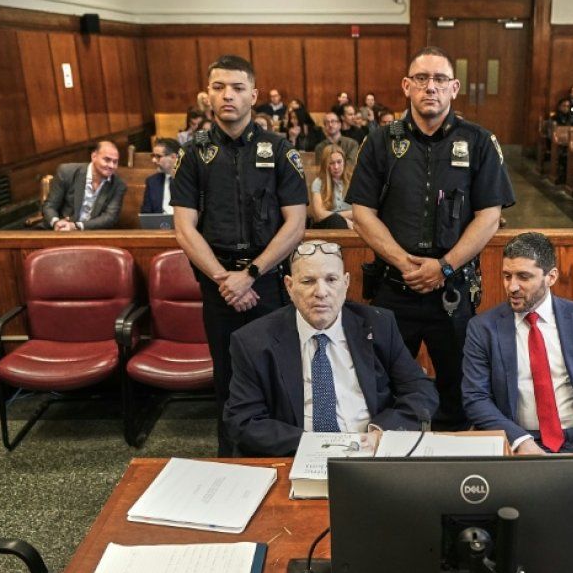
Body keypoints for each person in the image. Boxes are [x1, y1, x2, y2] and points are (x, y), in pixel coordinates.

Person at [347, 45, 515, 430]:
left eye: (440, 79)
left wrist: (444, 266)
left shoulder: (479, 142)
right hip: (394, 287)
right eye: (421, 79)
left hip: (452, 291)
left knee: (458, 391)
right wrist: (406, 265)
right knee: (382, 388)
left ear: (454, 88)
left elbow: (489, 216)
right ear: (406, 86)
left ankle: (450, 459)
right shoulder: (380, 141)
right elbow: (362, 213)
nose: (431, 87)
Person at [171, 55, 309, 456]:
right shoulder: (192, 153)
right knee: (228, 381)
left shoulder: (279, 150)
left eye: (236, 87)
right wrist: (224, 279)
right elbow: (184, 229)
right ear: (207, 95)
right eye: (218, 87)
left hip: (269, 283)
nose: (227, 95)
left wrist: (250, 274)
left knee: (279, 376)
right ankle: (230, 463)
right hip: (219, 289)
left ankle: (279, 462)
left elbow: (296, 224)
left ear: (253, 94)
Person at [223, 241, 439, 456]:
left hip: (370, 451)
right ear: (289, 286)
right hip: (297, 454)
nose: (321, 292)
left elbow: (420, 390)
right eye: (308, 281)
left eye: (331, 279)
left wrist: (381, 432)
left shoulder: (379, 324)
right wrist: (317, 445)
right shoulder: (253, 341)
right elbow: (243, 421)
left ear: (346, 283)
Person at [462, 232, 573, 454]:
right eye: (507, 276)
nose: (512, 287)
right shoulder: (482, 329)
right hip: (523, 439)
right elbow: (475, 398)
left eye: (523, 277)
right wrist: (520, 441)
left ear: (551, 277)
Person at [42, 141, 126, 231]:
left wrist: (75, 226)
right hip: (61, 231)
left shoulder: (118, 185)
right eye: (107, 160)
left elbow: (110, 218)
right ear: (94, 156)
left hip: (92, 233)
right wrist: (56, 222)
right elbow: (49, 206)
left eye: (115, 162)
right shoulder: (66, 172)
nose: (111, 166)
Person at [310, 145, 353, 229]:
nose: (336, 167)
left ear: (344, 162)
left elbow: (362, 211)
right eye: (331, 163)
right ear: (326, 165)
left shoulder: (353, 180)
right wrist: (345, 219)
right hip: (327, 225)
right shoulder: (319, 182)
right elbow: (320, 215)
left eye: (339, 162)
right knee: (335, 220)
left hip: (353, 224)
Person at [141, 137, 180, 215]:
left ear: (173, 157)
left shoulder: (191, 180)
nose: (153, 160)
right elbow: (146, 214)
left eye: (158, 156)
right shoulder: (152, 182)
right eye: (153, 156)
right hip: (159, 223)